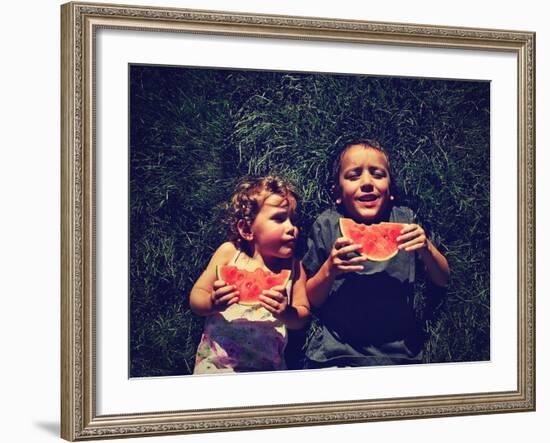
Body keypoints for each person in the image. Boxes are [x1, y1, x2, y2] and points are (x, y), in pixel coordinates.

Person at [303, 139, 450, 368]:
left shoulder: (405, 221)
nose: (367, 183)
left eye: (378, 174)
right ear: (337, 193)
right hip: (336, 353)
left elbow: (442, 280)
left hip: (398, 354)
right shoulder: (327, 224)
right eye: (353, 176)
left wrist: (427, 248)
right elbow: (311, 299)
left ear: (390, 191)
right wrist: (329, 269)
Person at [190, 176, 310, 374]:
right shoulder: (229, 253)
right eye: (279, 219)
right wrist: (212, 303)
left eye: (293, 220)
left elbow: (302, 314)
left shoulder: (294, 267)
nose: (292, 229)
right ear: (246, 229)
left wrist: (286, 312)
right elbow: (197, 296)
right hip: (216, 365)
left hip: (267, 369)